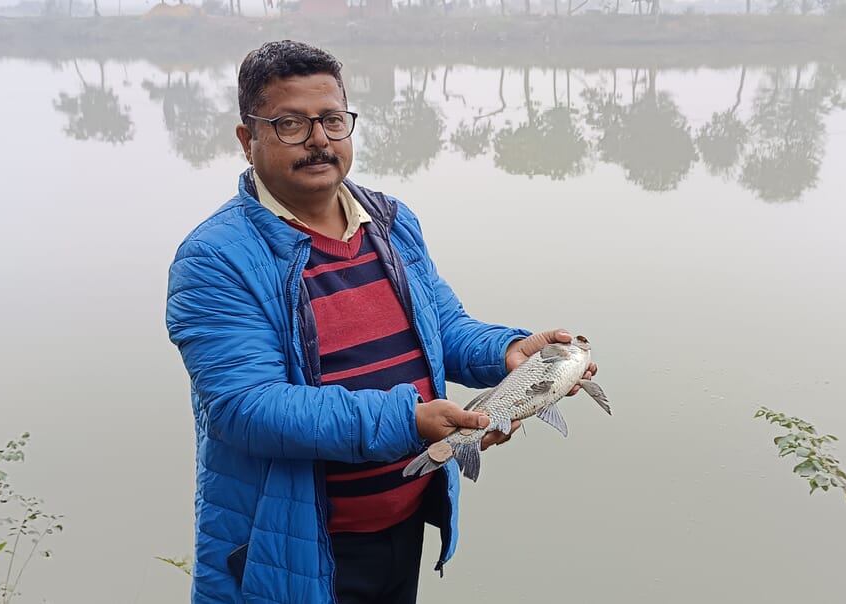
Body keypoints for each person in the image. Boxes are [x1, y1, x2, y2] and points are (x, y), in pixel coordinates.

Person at [165, 40, 594, 604]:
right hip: (293, 544)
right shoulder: (216, 258)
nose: (318, 139)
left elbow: (442, 326)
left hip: (403, 523)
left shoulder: (389, 220)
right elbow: (246, 409)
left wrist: (508, 350)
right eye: (290, 123)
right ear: (248, 140)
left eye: (332, 120)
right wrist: (409, 420)